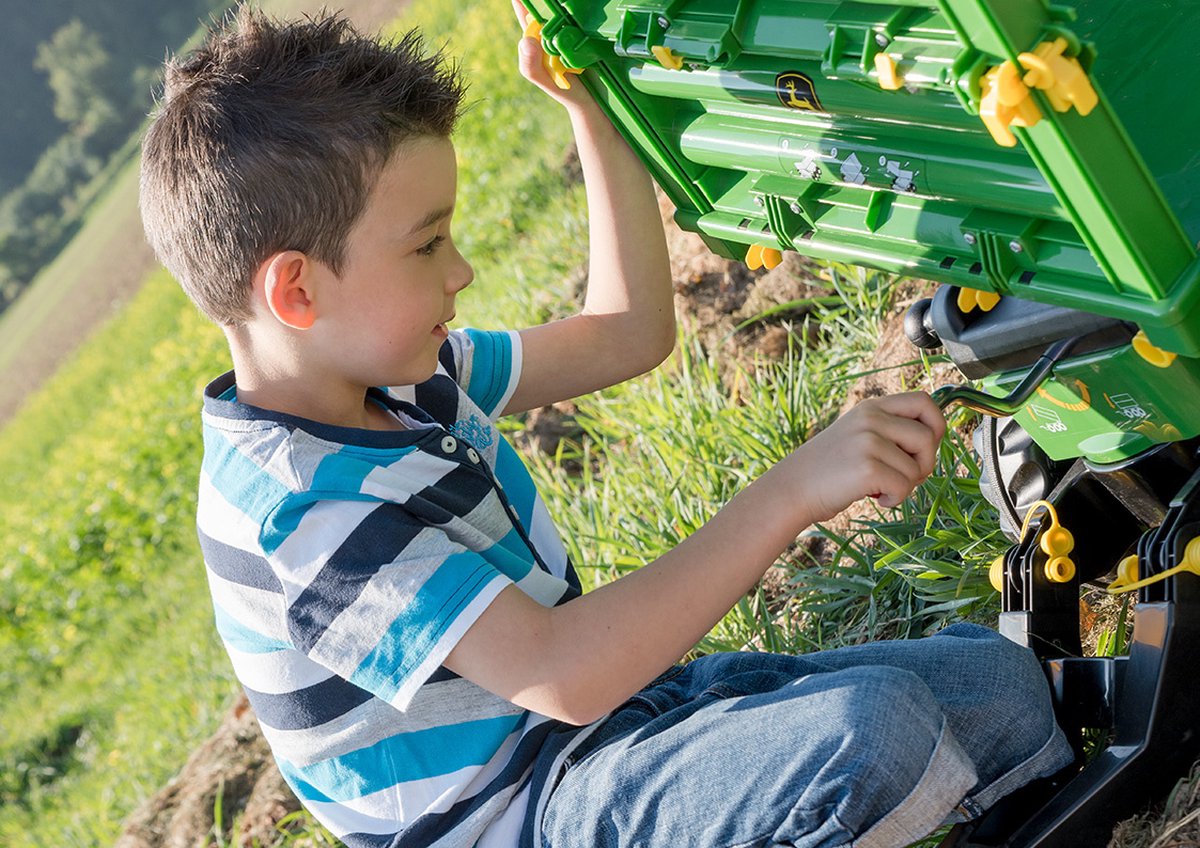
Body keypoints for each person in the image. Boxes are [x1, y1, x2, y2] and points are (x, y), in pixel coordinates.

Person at [138, 5, 1073, 847]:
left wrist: (594, 113)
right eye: (427, 244)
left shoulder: (400, 375)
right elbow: (563, 673)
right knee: (874, 734)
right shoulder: (303, 515)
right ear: (296, 292)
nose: (460, 272)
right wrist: (792, 490)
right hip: (533, 812)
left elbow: (628, 333)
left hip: (615, 730)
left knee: (998, 687)